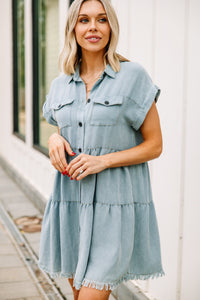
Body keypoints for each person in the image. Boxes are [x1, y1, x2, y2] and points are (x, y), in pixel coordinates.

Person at [38, 0, 165, 299]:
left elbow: (155, 145)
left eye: (101, 19)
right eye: (84, 20)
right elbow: (64, 133)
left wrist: (103, 161)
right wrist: (54, 140)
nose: (93, 27)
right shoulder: (59, 85)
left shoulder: (132, 77)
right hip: (69, 208)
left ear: (111, 27)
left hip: (113, 210)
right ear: (73, 28)